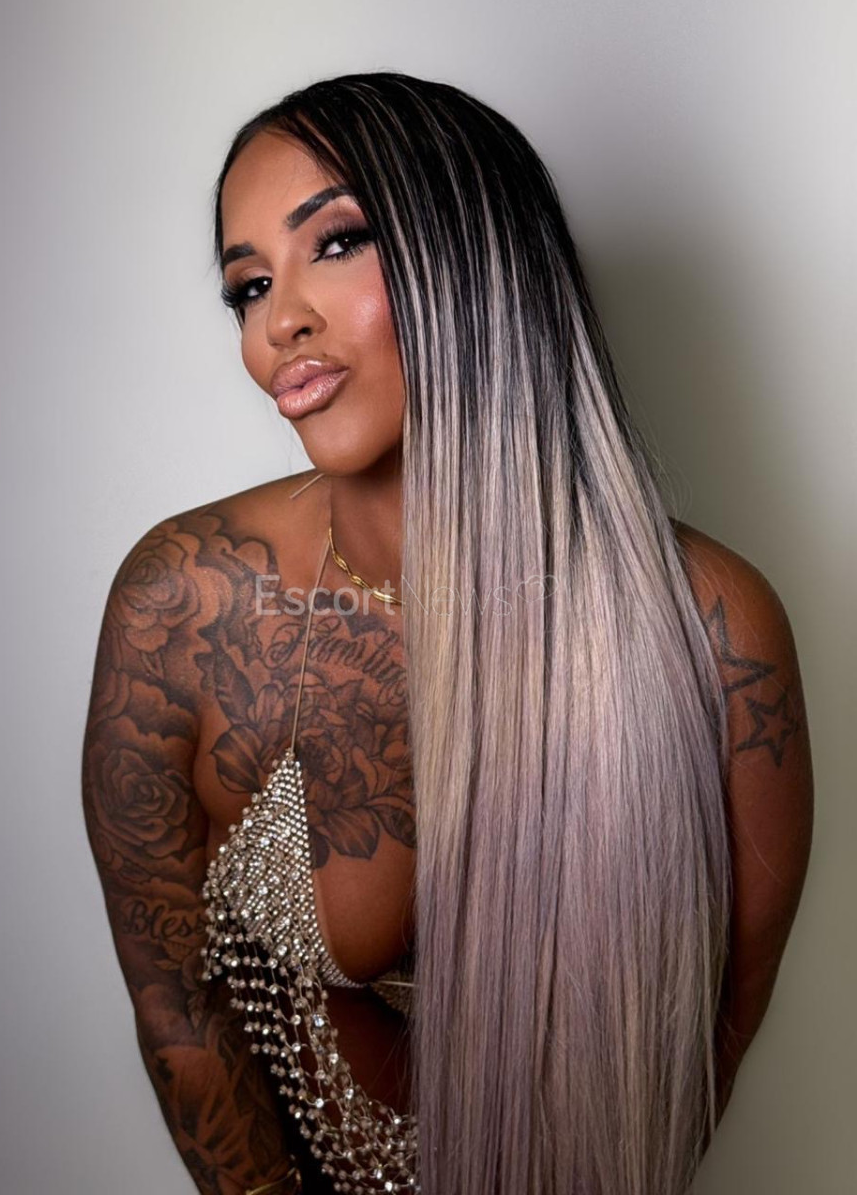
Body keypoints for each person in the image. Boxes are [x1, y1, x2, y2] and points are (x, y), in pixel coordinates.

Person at [81, 71, 814, 1195]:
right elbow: (177, 1013)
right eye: (249, 286)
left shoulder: (716, 634)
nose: (279, 322)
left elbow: (710, 1040)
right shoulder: (185, 603)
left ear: (474, 257)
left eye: (337, 243)